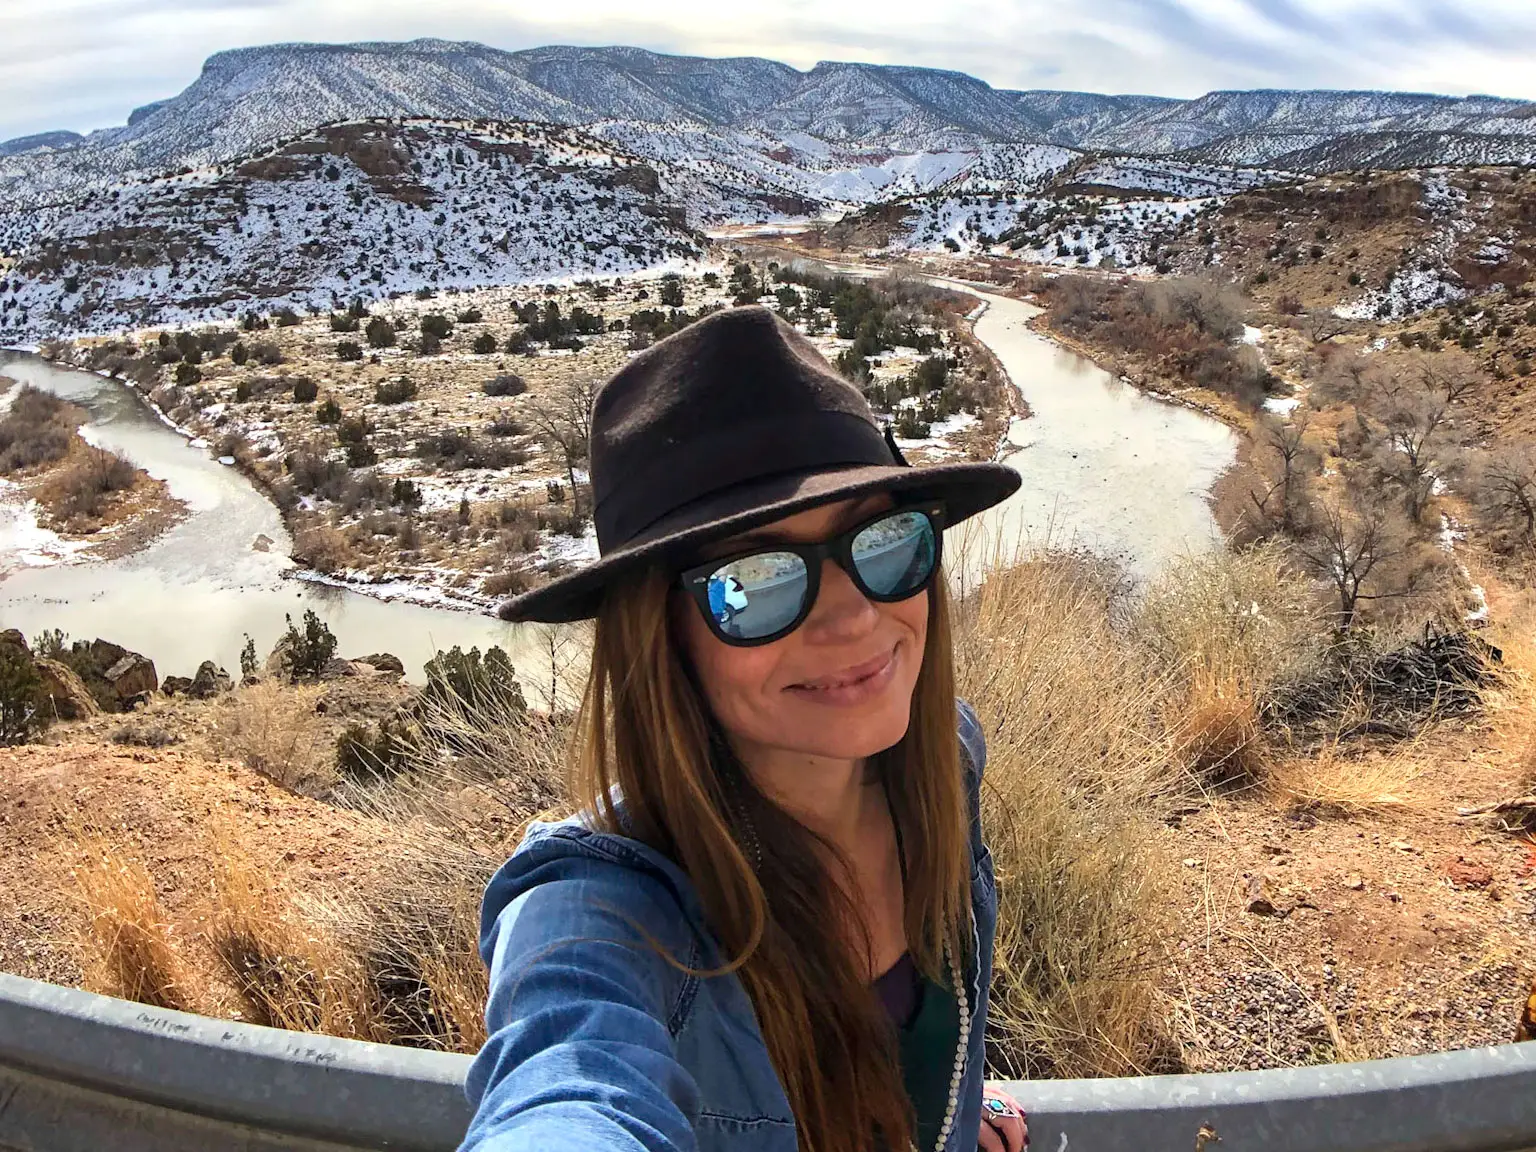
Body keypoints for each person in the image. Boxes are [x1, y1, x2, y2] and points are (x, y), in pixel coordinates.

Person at [462, 305, 1027, 1152]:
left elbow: (901, 1047)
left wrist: (945, 1110)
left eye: (882, 541)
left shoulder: (944, 760)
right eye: (753, 581)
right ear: (663, 642)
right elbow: (569, 1086)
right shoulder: (598, 913)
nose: (851, 620)